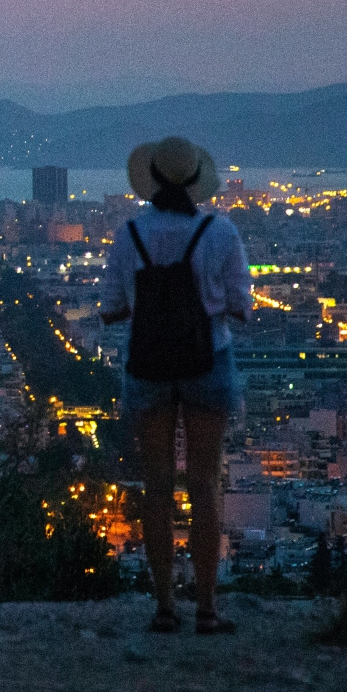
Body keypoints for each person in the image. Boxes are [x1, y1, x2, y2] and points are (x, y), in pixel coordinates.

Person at [100, 136, 252, 634]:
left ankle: (165, 605)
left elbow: (111, 308)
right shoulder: (221, 232)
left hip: (147, 362)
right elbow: (241, 307)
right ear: (196, 181)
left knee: (157, 485)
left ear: (152, 178)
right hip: (208, 358)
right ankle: (207, 607)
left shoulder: (129, 235)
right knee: (205, 482)